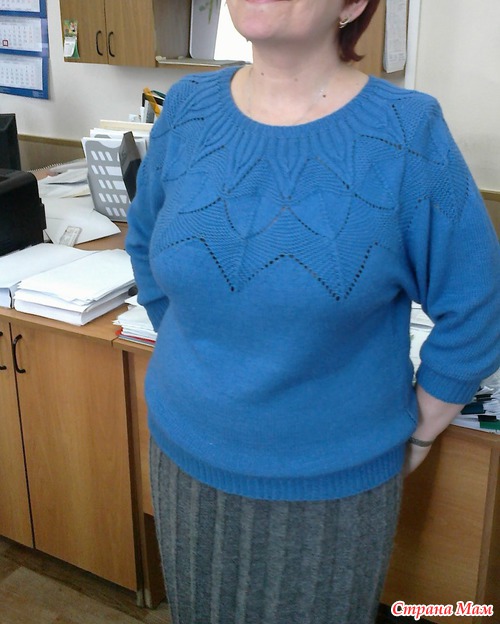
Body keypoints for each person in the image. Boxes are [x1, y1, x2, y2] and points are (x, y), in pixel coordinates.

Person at [125, 0, 500, 622]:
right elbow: (145, 244)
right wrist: (202, 357)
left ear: (352, 5)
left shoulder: (407, 132)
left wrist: (422, 430)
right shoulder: (187, 108)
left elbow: (479, 306)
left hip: (332, 491)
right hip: (183, 459)